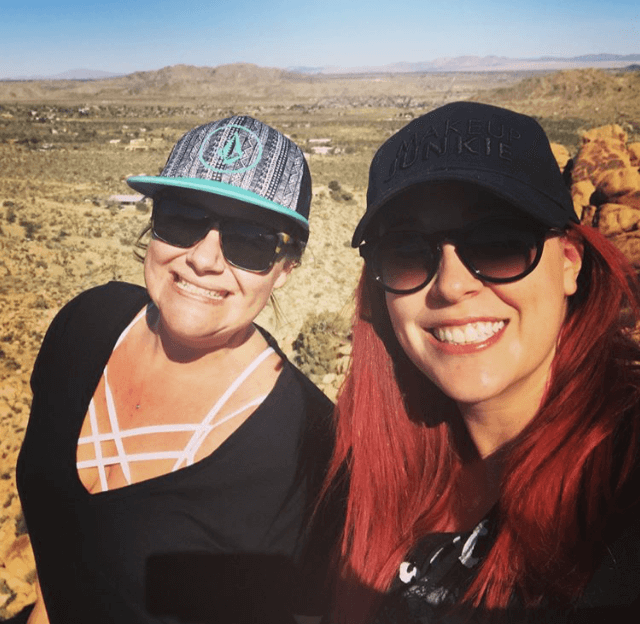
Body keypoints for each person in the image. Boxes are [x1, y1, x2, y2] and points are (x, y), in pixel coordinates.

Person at [322, 102, 640, 623]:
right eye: (407, 250)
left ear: (569, 264)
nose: (450, 285)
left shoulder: (620, 488)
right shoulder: (372, 468)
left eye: (498, 244)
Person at [16, 116, 335, 624]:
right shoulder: (84, 327)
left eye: (249, 241)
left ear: (285, 267)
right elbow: (67, 549)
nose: (204, 258)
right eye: (183, 219)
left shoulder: (312, 449)